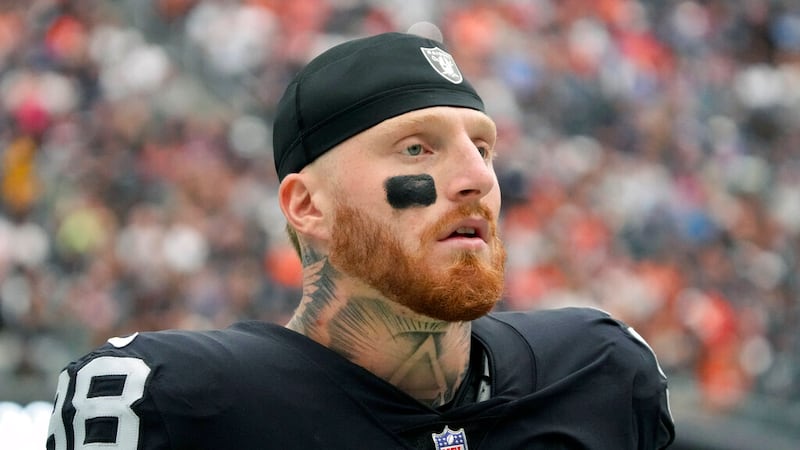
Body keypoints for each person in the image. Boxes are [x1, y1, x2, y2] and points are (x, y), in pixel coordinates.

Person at [46, 32, 675, 449]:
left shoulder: (602, 371)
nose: (478, 179)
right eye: (417, 148)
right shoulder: (171, 404)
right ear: (308, 205)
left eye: (482, 148)